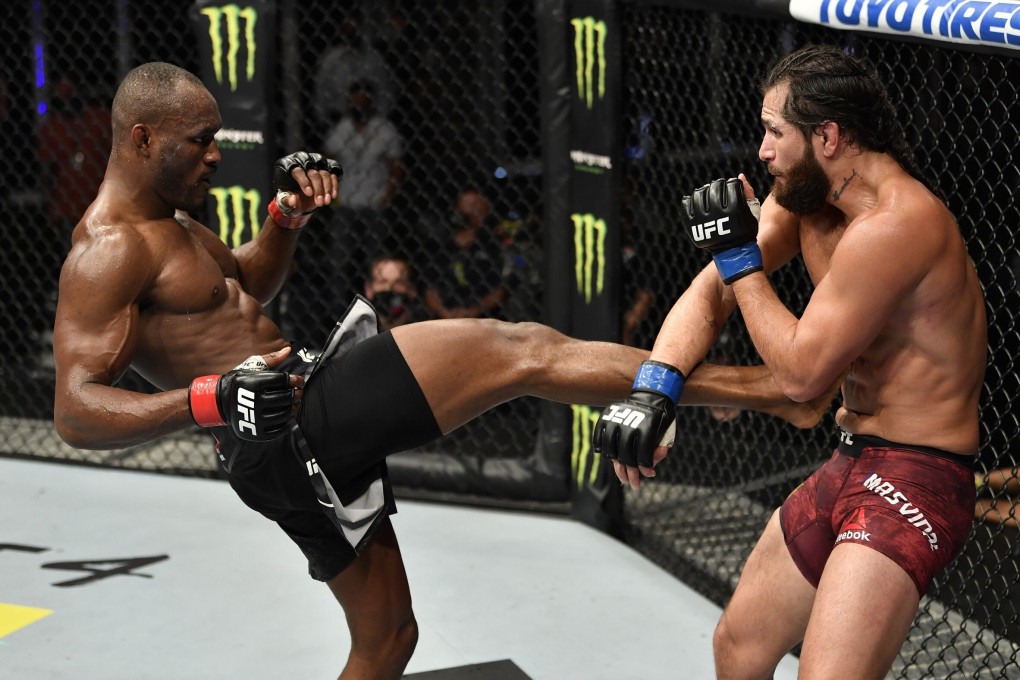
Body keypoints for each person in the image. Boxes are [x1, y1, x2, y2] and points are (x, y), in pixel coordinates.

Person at [54, 61, 830, 680]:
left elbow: (247, 289)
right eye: (201, 140)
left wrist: (284, 219)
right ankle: (767, 392)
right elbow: (75, 412)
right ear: (144, 138)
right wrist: (209, 399)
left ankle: (768, 394)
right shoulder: (109, 248)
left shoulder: (174, 220)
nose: (217, 154)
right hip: (285, 431)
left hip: (290, 435)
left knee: (389, 640)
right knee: (519, 349)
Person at [594, 44, 987, 679]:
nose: (763, 151)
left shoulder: (897, 224)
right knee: (738, 646)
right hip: (851, 455)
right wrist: (653, 389)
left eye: (776, 132)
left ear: (827, 136)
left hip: (918, 476)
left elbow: (802, 376)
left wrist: (740, 259)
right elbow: (709, 292)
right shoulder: (804, 197)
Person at [421, 187, 508, 320]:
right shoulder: (442, 244)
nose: (470, 210)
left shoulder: (495, 242)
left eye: (475, 205)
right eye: (466, 205)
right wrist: (444, 312)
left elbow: (501, 288)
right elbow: (430, 288)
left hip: (487, 316)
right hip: (447, 314)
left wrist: (474, 311)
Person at [362, 251, 425, 331]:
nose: (389, 288)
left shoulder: (424, 330)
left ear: (412, 290)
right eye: (382, 282)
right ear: (369, 288)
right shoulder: (357, 334)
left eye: (398, 283)